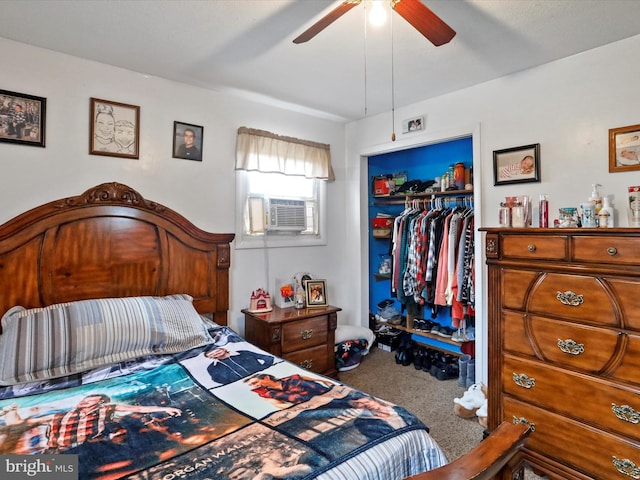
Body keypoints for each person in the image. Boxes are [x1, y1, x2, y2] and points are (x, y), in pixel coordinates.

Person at [42, 393, 181, 453]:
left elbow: (137, 408)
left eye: (90, 400)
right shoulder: (62, 414)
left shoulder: (105, 409)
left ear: (100, 402)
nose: (84, 401)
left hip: (82, 451)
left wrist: (165, 408)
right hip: (52, 451)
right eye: (84, 399)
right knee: (24, 472)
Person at [244, 372, 333, 407]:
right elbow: (280, 405)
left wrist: (336, 388)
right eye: (251, 385)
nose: (255, 386)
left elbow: (321, 380)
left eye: (255, 383)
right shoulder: (268, 394)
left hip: (330, 395)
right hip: (314, 406)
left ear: (266, 378)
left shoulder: (293, 378)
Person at [204, 346, 274, 384]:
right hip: (244, 385)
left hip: (264, 378)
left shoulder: (243, 353)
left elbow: (268, 358)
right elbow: (218, 380)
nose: (216, 353)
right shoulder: (212, 368)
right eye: (212, 354)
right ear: (209, 357)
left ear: (224, 349)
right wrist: (235, 383)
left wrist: (263, 369)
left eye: (217, 350)